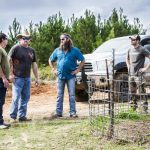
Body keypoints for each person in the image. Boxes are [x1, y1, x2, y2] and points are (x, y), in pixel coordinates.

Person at [49, 33, 85, 118]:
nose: (61, 41)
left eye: (63, 39)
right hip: (60, 76)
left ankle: (73, 113)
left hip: (71, 76)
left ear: (68, 39)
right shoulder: (57, 50)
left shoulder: (75, 50)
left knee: (72, 95)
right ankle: (58, 113)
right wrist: (53, 69)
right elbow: (50, 60)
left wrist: (78, 70)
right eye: (61, 39)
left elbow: (83, 60)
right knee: (59, 95)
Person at [8, 30, 39, 122]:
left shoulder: (32, 50)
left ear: (30, 40)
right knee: (16, 97)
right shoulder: (15, 48)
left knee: (25, 97)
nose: (26, 40)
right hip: (17, 77)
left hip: (27, 78)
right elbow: (8, 60)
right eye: (24, 38)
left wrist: (37, 78)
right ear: (20, 39)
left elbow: (34, 64)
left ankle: (22, 116)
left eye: (28, 38)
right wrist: (10, 74)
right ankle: (12, 116)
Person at [126, 35, 150, 112]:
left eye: (133, 39)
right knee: (132, 92)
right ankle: (133, 109)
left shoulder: (142, 49)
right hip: (131, 75)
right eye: (131, 39)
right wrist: (128, 66)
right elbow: (127, 58)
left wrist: (146, 68)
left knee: (142, 92)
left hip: (139, 75)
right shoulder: (130, 49)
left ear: (138, 41)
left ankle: (144, 110)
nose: (132, 41)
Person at [0, 33, 10, 129]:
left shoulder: (2, 50)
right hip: (0, 80)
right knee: (0, 101)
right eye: (6, 39)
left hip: (2, 79)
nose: (7, 41)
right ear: (2, 39)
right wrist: (3, 78)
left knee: (1, 101)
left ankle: (1, 121)